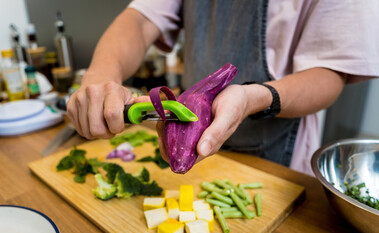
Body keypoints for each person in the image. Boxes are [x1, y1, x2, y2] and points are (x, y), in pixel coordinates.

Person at [67, 0, 379, 175]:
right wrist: (100, 78)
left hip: (276, 160)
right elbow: (140, 20)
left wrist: (252, 97)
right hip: (193, 146)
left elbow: (330, 75)